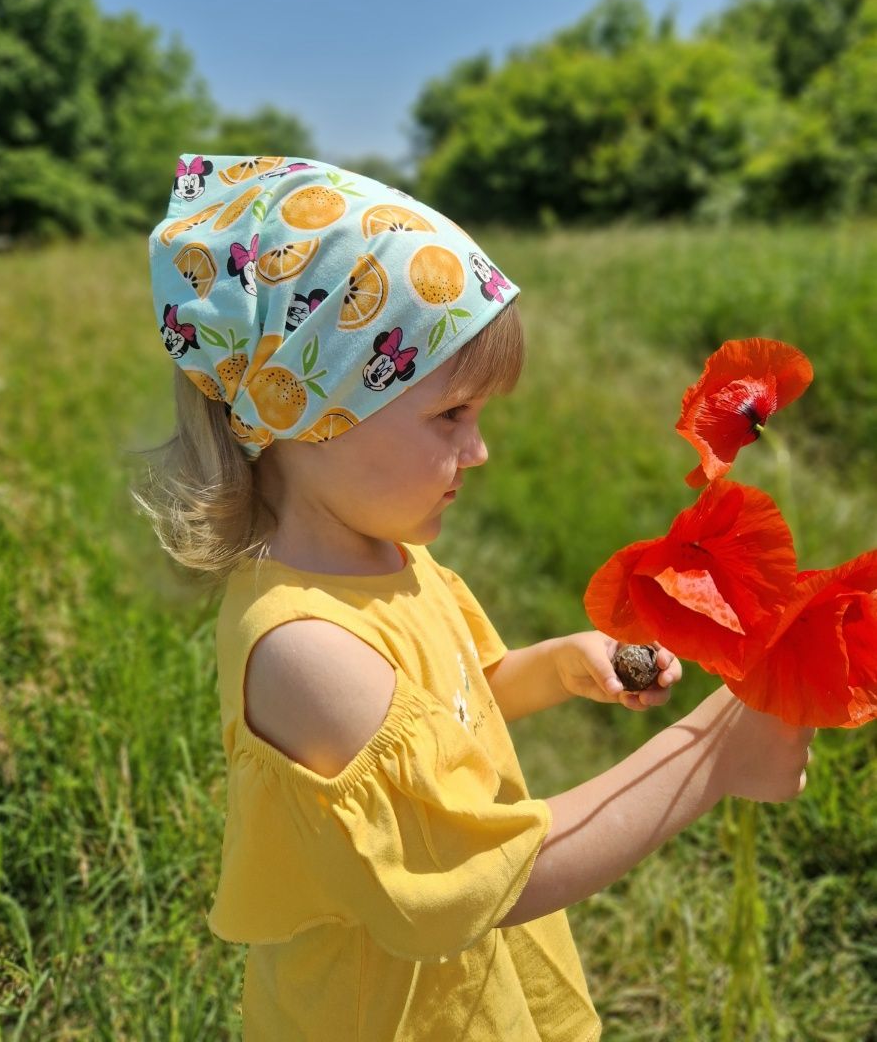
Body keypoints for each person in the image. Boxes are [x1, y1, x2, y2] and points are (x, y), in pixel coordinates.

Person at [137, 155, 813, 1041]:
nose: (481, 449)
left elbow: (458, 705)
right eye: (450, 416)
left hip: (472, 998)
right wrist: (713, 752)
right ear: (311, 412)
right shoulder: (302, 646)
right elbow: (488, 878)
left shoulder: (392, 559)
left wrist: (556, 668)